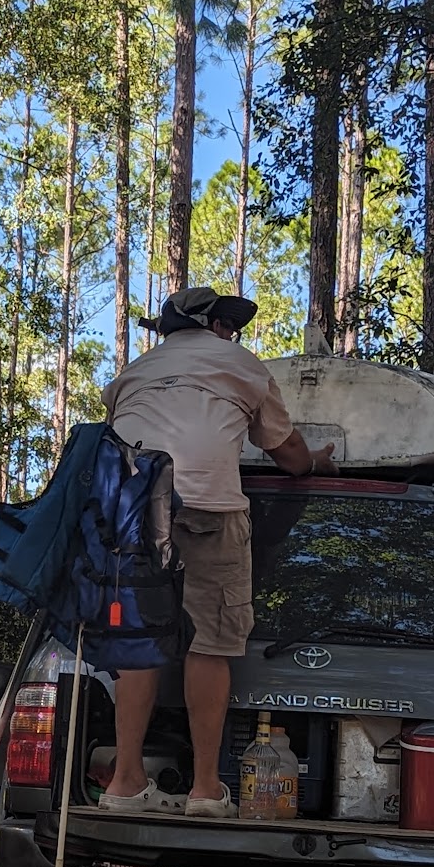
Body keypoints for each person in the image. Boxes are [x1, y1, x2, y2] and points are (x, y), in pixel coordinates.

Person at [98, 286, 337, 819]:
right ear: (208, 324)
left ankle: (125, 783)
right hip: (210, 509)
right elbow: (291, 458)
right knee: (209, 643)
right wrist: (319, 463)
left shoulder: (131, 375)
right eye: (227, 324)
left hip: (133, 516)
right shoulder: (241, 365)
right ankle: (205, 791)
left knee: (138, 642)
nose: (232, 333)